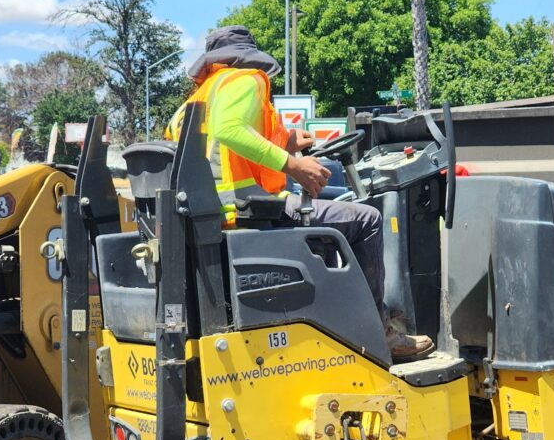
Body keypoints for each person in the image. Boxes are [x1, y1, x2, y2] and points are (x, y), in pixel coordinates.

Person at [166, 25, 432, 361]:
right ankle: (377, 331)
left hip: (215, 213)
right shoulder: (246, 80)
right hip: (246, 209)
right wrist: (293, 163)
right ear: (246, 56)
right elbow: (229, 130)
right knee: (368, 220)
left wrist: (288, 145)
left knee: (331, 224)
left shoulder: (198, 98)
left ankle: (333, 320)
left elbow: (223, 152)